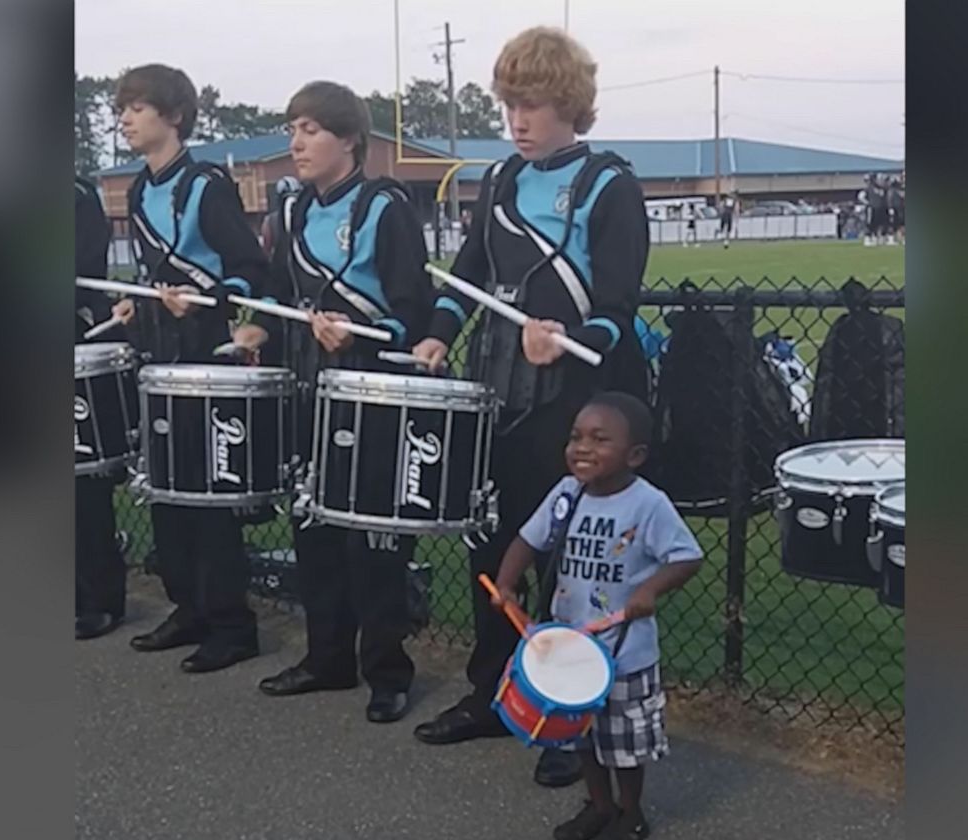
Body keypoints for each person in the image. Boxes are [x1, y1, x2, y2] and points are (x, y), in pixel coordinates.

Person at [409, 26, 652, 789]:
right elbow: (467, 276)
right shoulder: (501, 180)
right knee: (495, 545)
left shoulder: (612, 183)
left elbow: (619, 298)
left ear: (571, 105)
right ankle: (492, 692)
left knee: (570, 564)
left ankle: (568, 717)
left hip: (582, 392)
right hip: (500, 387)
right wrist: (440, 336)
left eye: (535, 103)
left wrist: (571, 337)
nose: (518, 119)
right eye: (510, 103)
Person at [251, 81, 432, 724]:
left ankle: (388, 669)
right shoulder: (294, 210)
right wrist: (258, 327)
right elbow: (279, 294)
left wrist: (357, 332)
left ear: (349, 139)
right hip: (308, 383)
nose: (295, 143)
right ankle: (327, 657)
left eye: (310, 130)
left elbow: (413, 311)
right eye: (292, 128)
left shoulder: (388, 207)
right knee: (313, 525)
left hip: (373, 386)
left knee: (371, 535)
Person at [106, 64, 269, 673]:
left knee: (204, 491)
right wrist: (141, 297)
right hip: (157, 349)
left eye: (138, 108)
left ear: (172, 116)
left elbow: (250, 269)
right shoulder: (137, 190)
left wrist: (201, 298)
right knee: (165, 488)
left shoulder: (206, 184)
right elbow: (157, 274)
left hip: (203, 350)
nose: (124, 118)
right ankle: (188, 606)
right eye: (123, 109)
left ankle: (232, 623)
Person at [493, 392, 703, 840]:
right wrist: (507, 584)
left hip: (625, 651)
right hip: (570, 645)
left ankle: (631, 813)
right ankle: (599, 805)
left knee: (623, 744)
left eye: (599, 439)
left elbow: (687, 557)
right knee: (582, 735)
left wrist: (649, 591)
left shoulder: (649, 504)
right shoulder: (566, 493)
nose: (581, 448)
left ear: (635, 455)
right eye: (575, 437)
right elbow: (528, 539)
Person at [74, 175, 127, 641]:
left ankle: (99, 599)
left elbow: (81, 265)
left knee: (84, 484)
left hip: (77, 343)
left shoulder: (76, 193)